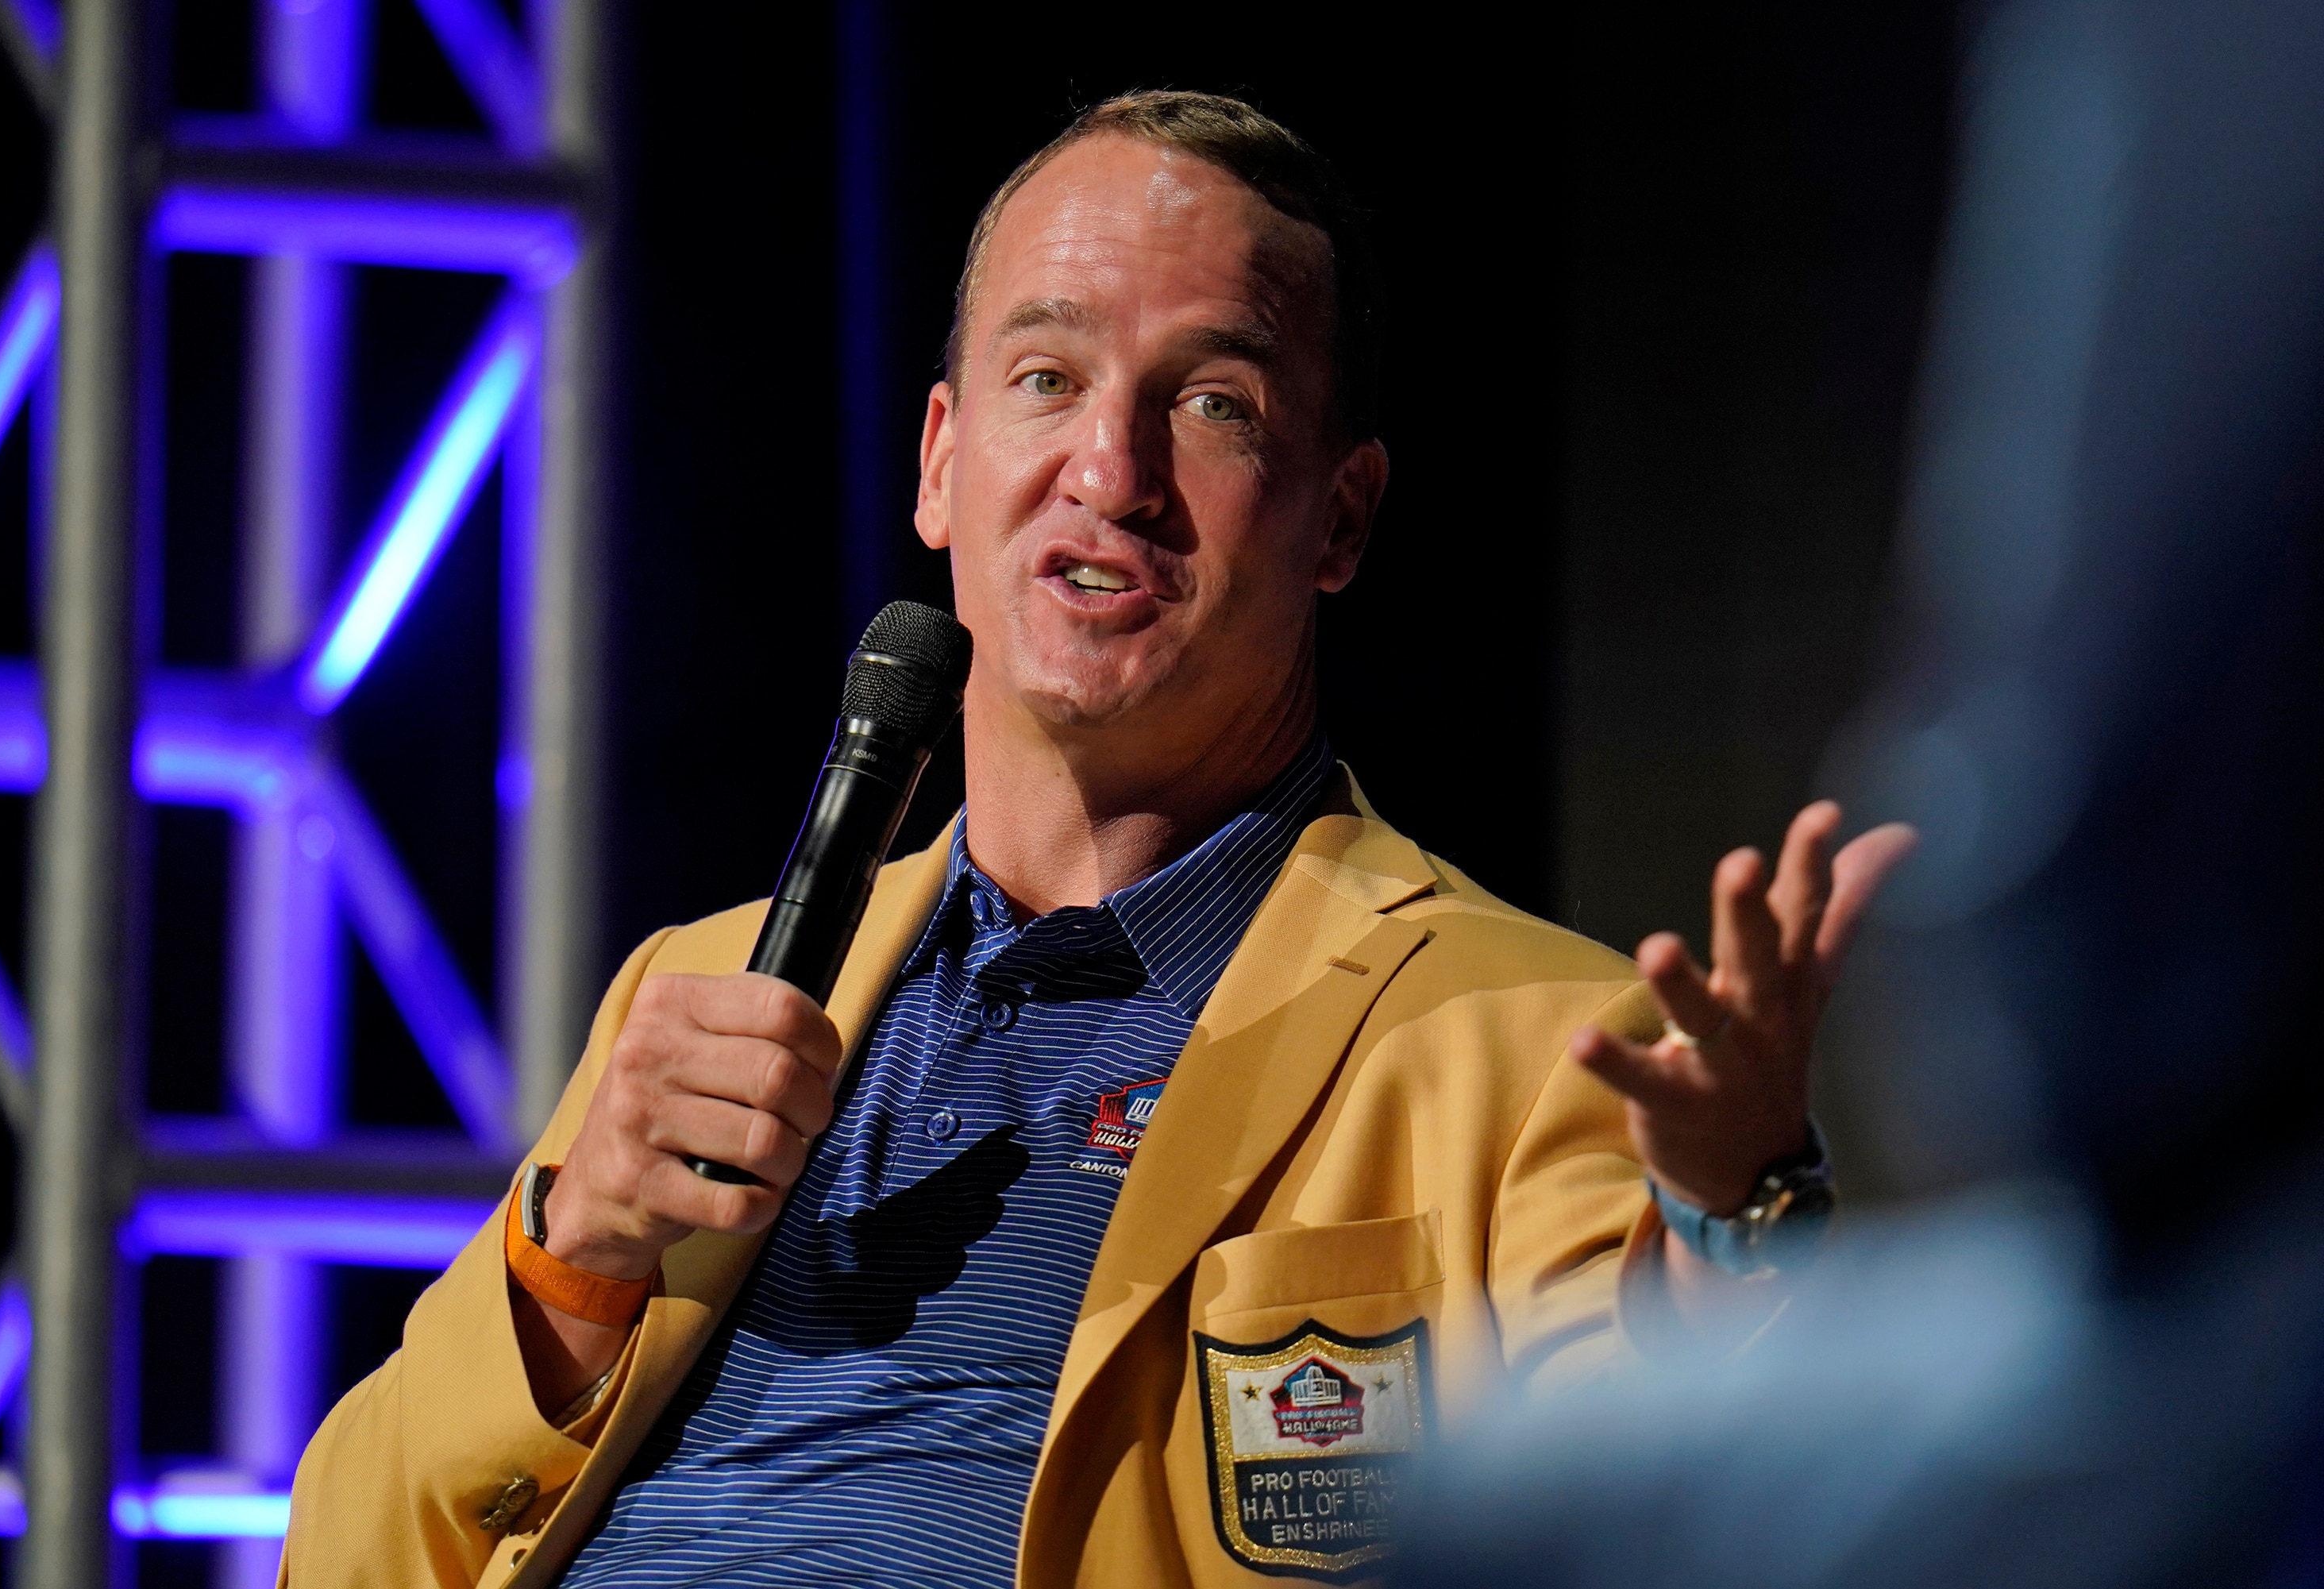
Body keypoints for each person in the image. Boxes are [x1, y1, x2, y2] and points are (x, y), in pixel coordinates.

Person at [281, 91, 1911, 1588]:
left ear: (1337, 515)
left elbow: (1683, 1522)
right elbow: (346, 1551)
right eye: (1047, 377)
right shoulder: (711, 990)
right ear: (940, 459)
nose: (1110, 471)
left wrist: (1734, 1223)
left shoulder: (1524, 1041)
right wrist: (572, 1267)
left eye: (1210, 402)